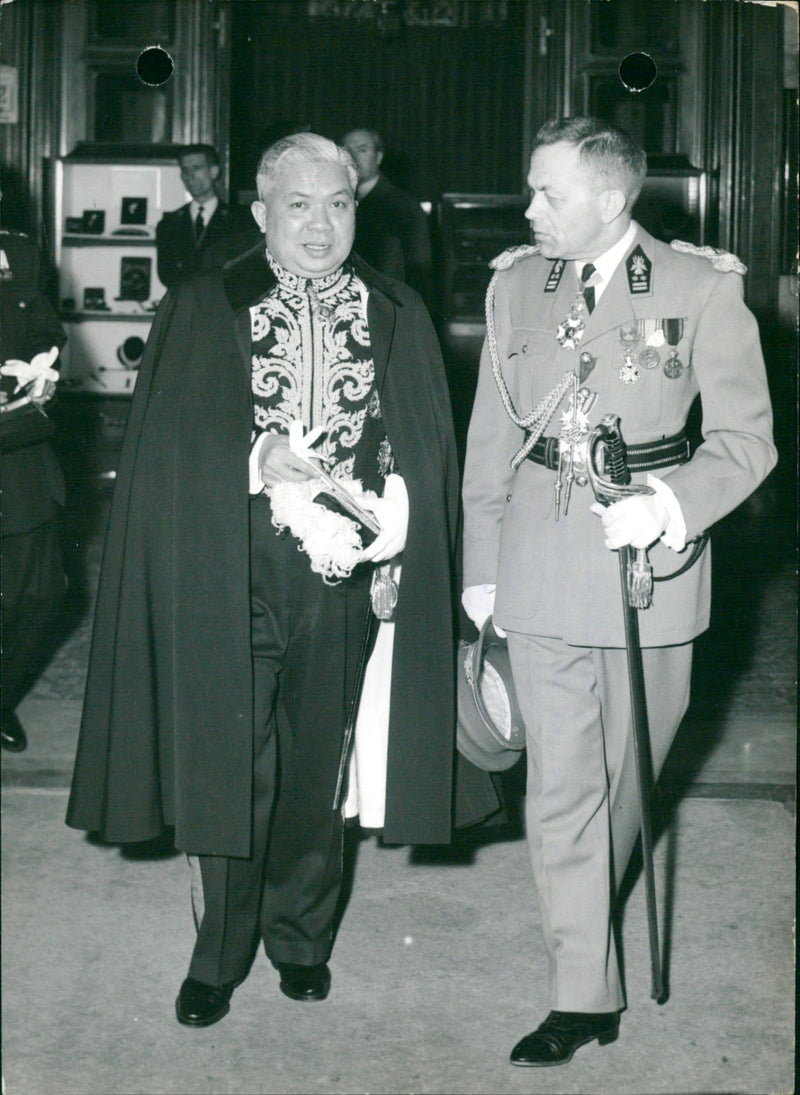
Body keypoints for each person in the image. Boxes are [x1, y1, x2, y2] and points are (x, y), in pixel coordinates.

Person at [66, 133, 463, 1027]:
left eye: (338, 204)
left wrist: (400, 526)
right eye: (298, 205)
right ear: (260, 213)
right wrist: (254, 455)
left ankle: (299, 936)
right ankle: (218, 953)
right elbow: (170, 444)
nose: (320, 225)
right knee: (232, 765)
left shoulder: (394, 305)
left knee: (317, 764)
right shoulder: (208, 304)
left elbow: (420, 441)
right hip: (231, 560)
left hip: (344, 579)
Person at [461, 116, 777, 1067]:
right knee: (562, 788)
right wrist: (481, 566)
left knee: (630, 777)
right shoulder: (516, 282)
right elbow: (491, 436)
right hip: (544, 557)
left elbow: (746, 440)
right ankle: (582, 991)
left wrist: (672, 506)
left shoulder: (702, 289)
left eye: (547, 193)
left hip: (653, 565)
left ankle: (583, 906)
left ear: (612, 198)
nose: (528, 208)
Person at [0, 226, 67, 752]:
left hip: (18, 459)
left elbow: (47, 332)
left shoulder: (18, 254)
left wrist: (45, 370)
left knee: (40, 595)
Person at [341, 128, 432, 302]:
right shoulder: (333, 202)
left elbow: (419, 273)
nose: (353, 157)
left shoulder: (404, 206)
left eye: (362, 150)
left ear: (378, 157)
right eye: (347, 150)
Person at [155, 143, 251, 288]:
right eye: (184, 170)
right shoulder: (169, 223)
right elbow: (166, 276)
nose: (189, 176)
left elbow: (243, 273)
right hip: (185, 306)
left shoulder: (239, 221)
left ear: (214, 172)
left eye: (196, 168)